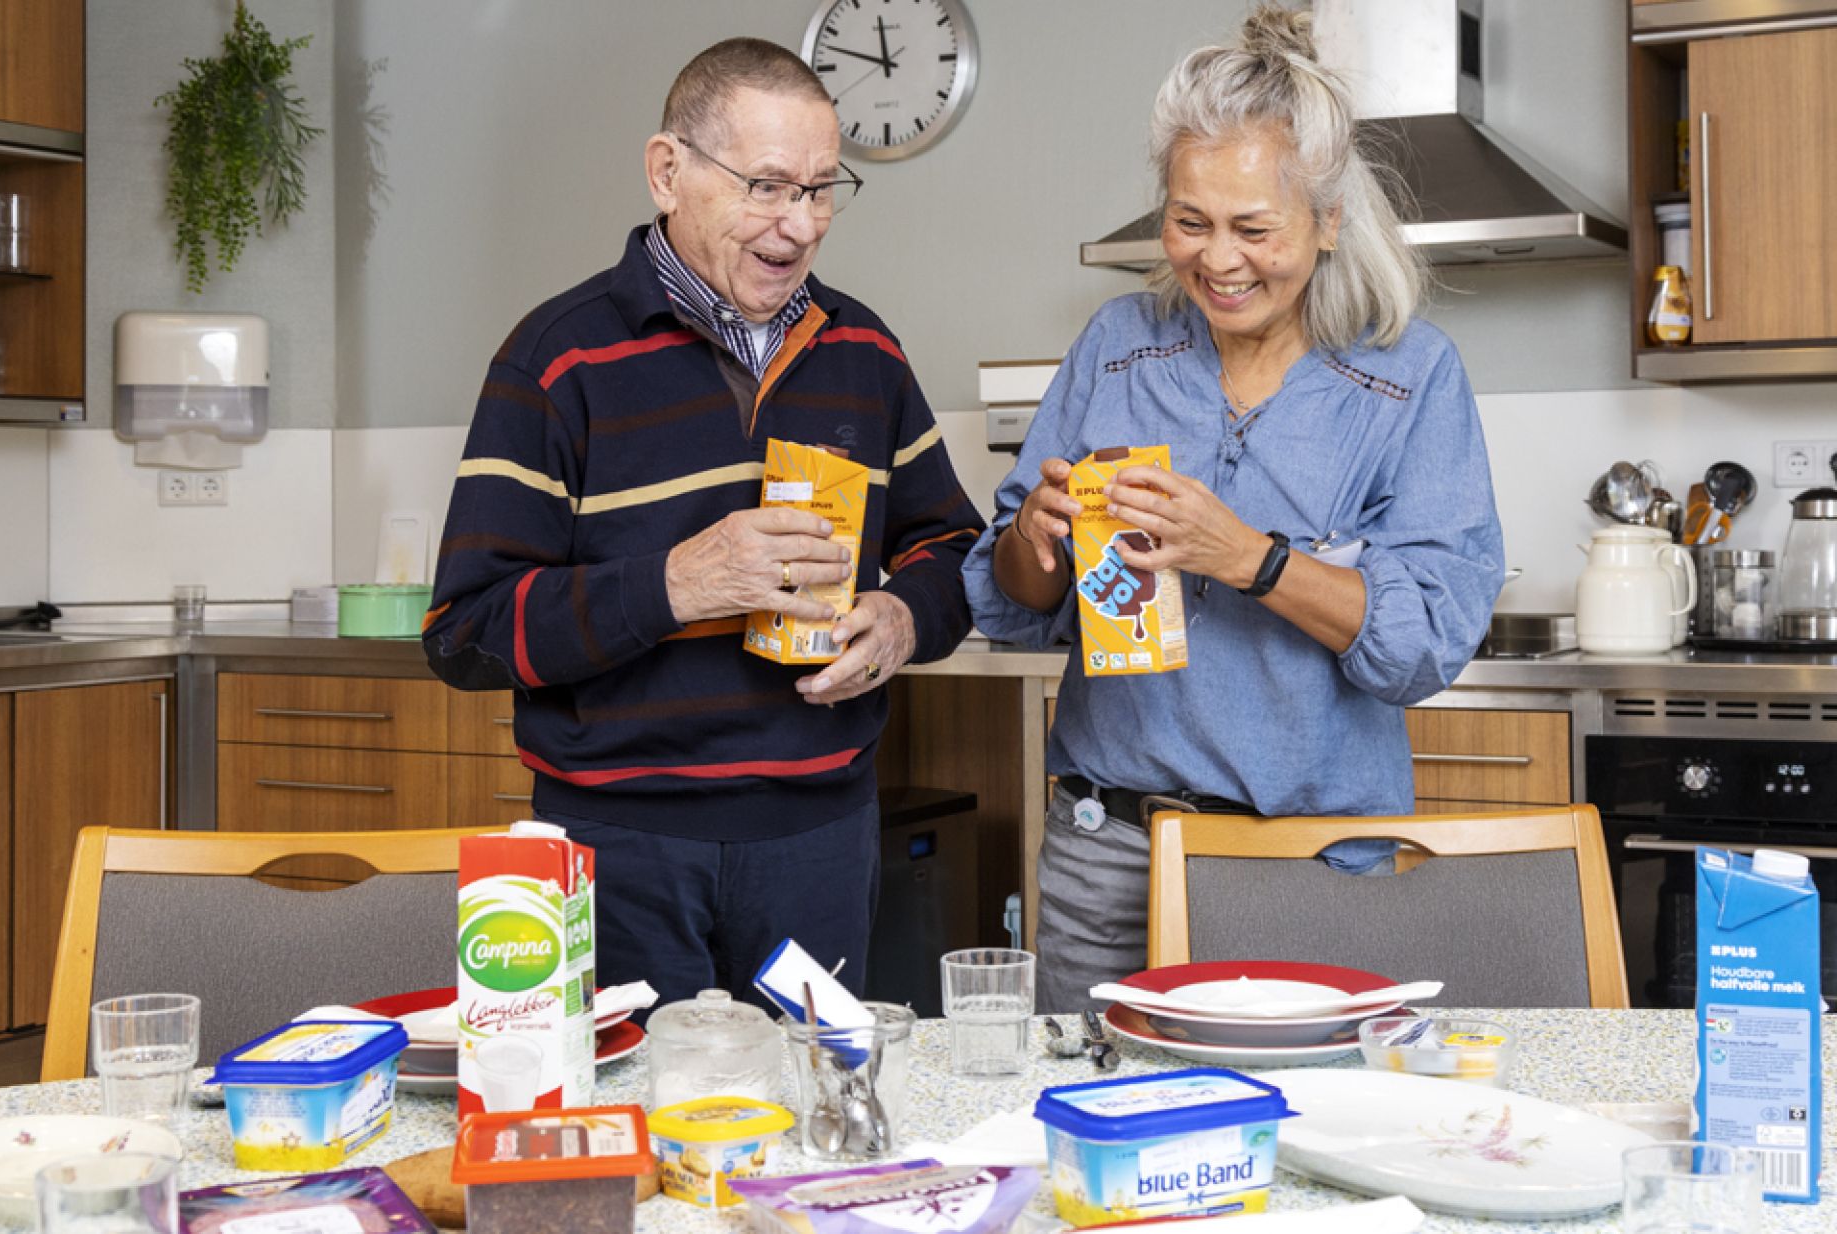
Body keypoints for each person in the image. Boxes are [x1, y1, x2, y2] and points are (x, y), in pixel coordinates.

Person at [962, 5, 1504, 1014]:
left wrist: (1248, 556)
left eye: (1256, 227)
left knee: (1306, 1132)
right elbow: (1013, 598)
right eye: (1189, 222)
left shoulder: (1408, 376)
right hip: (1106, 854)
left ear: (1328, 221)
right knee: (1099, 1135)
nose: (1219, 260)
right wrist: (1035, 540)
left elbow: (1427, 639)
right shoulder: (1118, 346)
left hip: (1309, 863)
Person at [426, 38, 983, 1015]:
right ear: (668, 172)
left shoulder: (864, 351)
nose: (799, 224)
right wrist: (678, 583)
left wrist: (899, 620)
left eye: (820, 188)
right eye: (767, 186)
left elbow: (952, 550)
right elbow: (466, 632)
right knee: (636, 1131)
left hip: (821, 838)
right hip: (616, 849)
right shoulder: (555, 362)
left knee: (811, 1125)